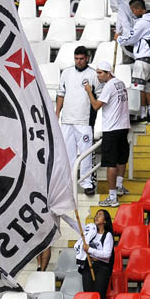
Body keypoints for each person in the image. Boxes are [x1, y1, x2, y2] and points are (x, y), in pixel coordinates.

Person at [58, 46, 102, 195]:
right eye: (76, 58)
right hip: (67, 120)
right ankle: (68, 183)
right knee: (67, 154)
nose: (79, 61)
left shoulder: (93, 75)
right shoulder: (66, 72)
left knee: (85, 154)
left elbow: (100, 97)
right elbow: (61, 94)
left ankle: (87, 182)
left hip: (84, 121)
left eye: (81, 58)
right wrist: (57, 113)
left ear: (87, 58)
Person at [86, 61, 130, 207]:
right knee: (121, 159)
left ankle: (112, 197)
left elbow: (96, 106)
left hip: (111, 128)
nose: (98, 76)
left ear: (108, 73)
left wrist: (89, 91)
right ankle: (119, 186)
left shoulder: (109, 86)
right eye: (97, 73)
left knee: (111, 163)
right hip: (123, 126)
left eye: (100, 73)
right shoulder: (120, 83)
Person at [116, 0, 150, 123]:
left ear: (139, 9)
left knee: (139, 87)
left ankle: (141, 114)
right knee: (147, 88)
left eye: (133, 10)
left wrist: (119, 38)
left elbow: (131, 38)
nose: (132, 13)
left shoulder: (143, 23)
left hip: (142, 59)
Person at [74, 209, 114, 299]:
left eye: (100, 215)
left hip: (101, 268)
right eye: (96, 214)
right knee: (88, 294)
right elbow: (75, 225)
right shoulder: (90, 232)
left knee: (99, 295)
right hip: (88, 266)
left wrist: (90, 250)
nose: (96, 216)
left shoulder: (107, 235)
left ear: (105, 220)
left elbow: (107, 255)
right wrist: (63, 216)